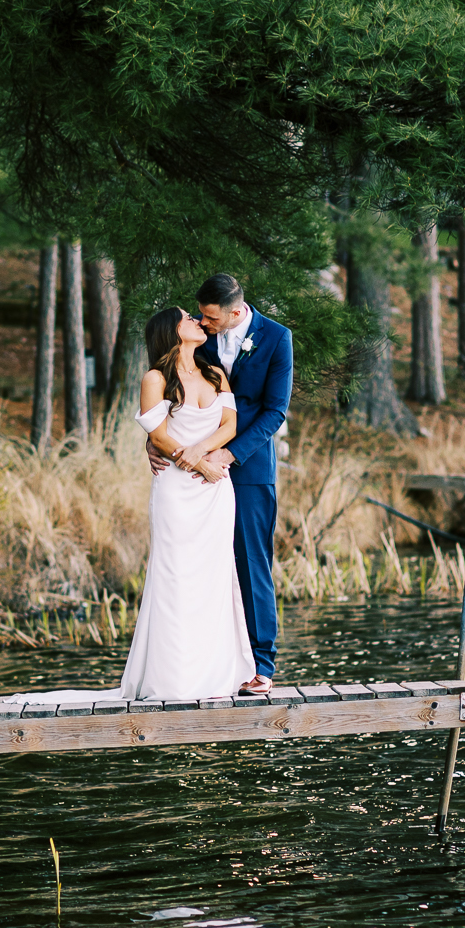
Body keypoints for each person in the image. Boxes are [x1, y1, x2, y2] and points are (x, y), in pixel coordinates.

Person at [147, 270, 293, 697]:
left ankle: (262, 664)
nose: (203, 323)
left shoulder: (276, 338)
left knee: (251, 563)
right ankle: (206, 665)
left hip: (246, 465)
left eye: (211, 318)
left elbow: (275, 411)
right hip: (187, 467)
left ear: (234, 311)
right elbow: (168, 384)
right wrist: (154, 442)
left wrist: (227, 454)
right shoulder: (196, 330)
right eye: (200, 316)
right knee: (197, 566)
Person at [120, 307, 253, 700]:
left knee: (213, 578)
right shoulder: (155, 378)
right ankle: (174, 680)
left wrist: (204, 456)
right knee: (175, 579)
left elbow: (229, 426)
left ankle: (214, 675)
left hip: (214, 490)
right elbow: (158, 436)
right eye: (187, 318)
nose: (197, 320)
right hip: (176, 491)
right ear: (171, 331)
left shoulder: (215, 374)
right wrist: (196, 461)